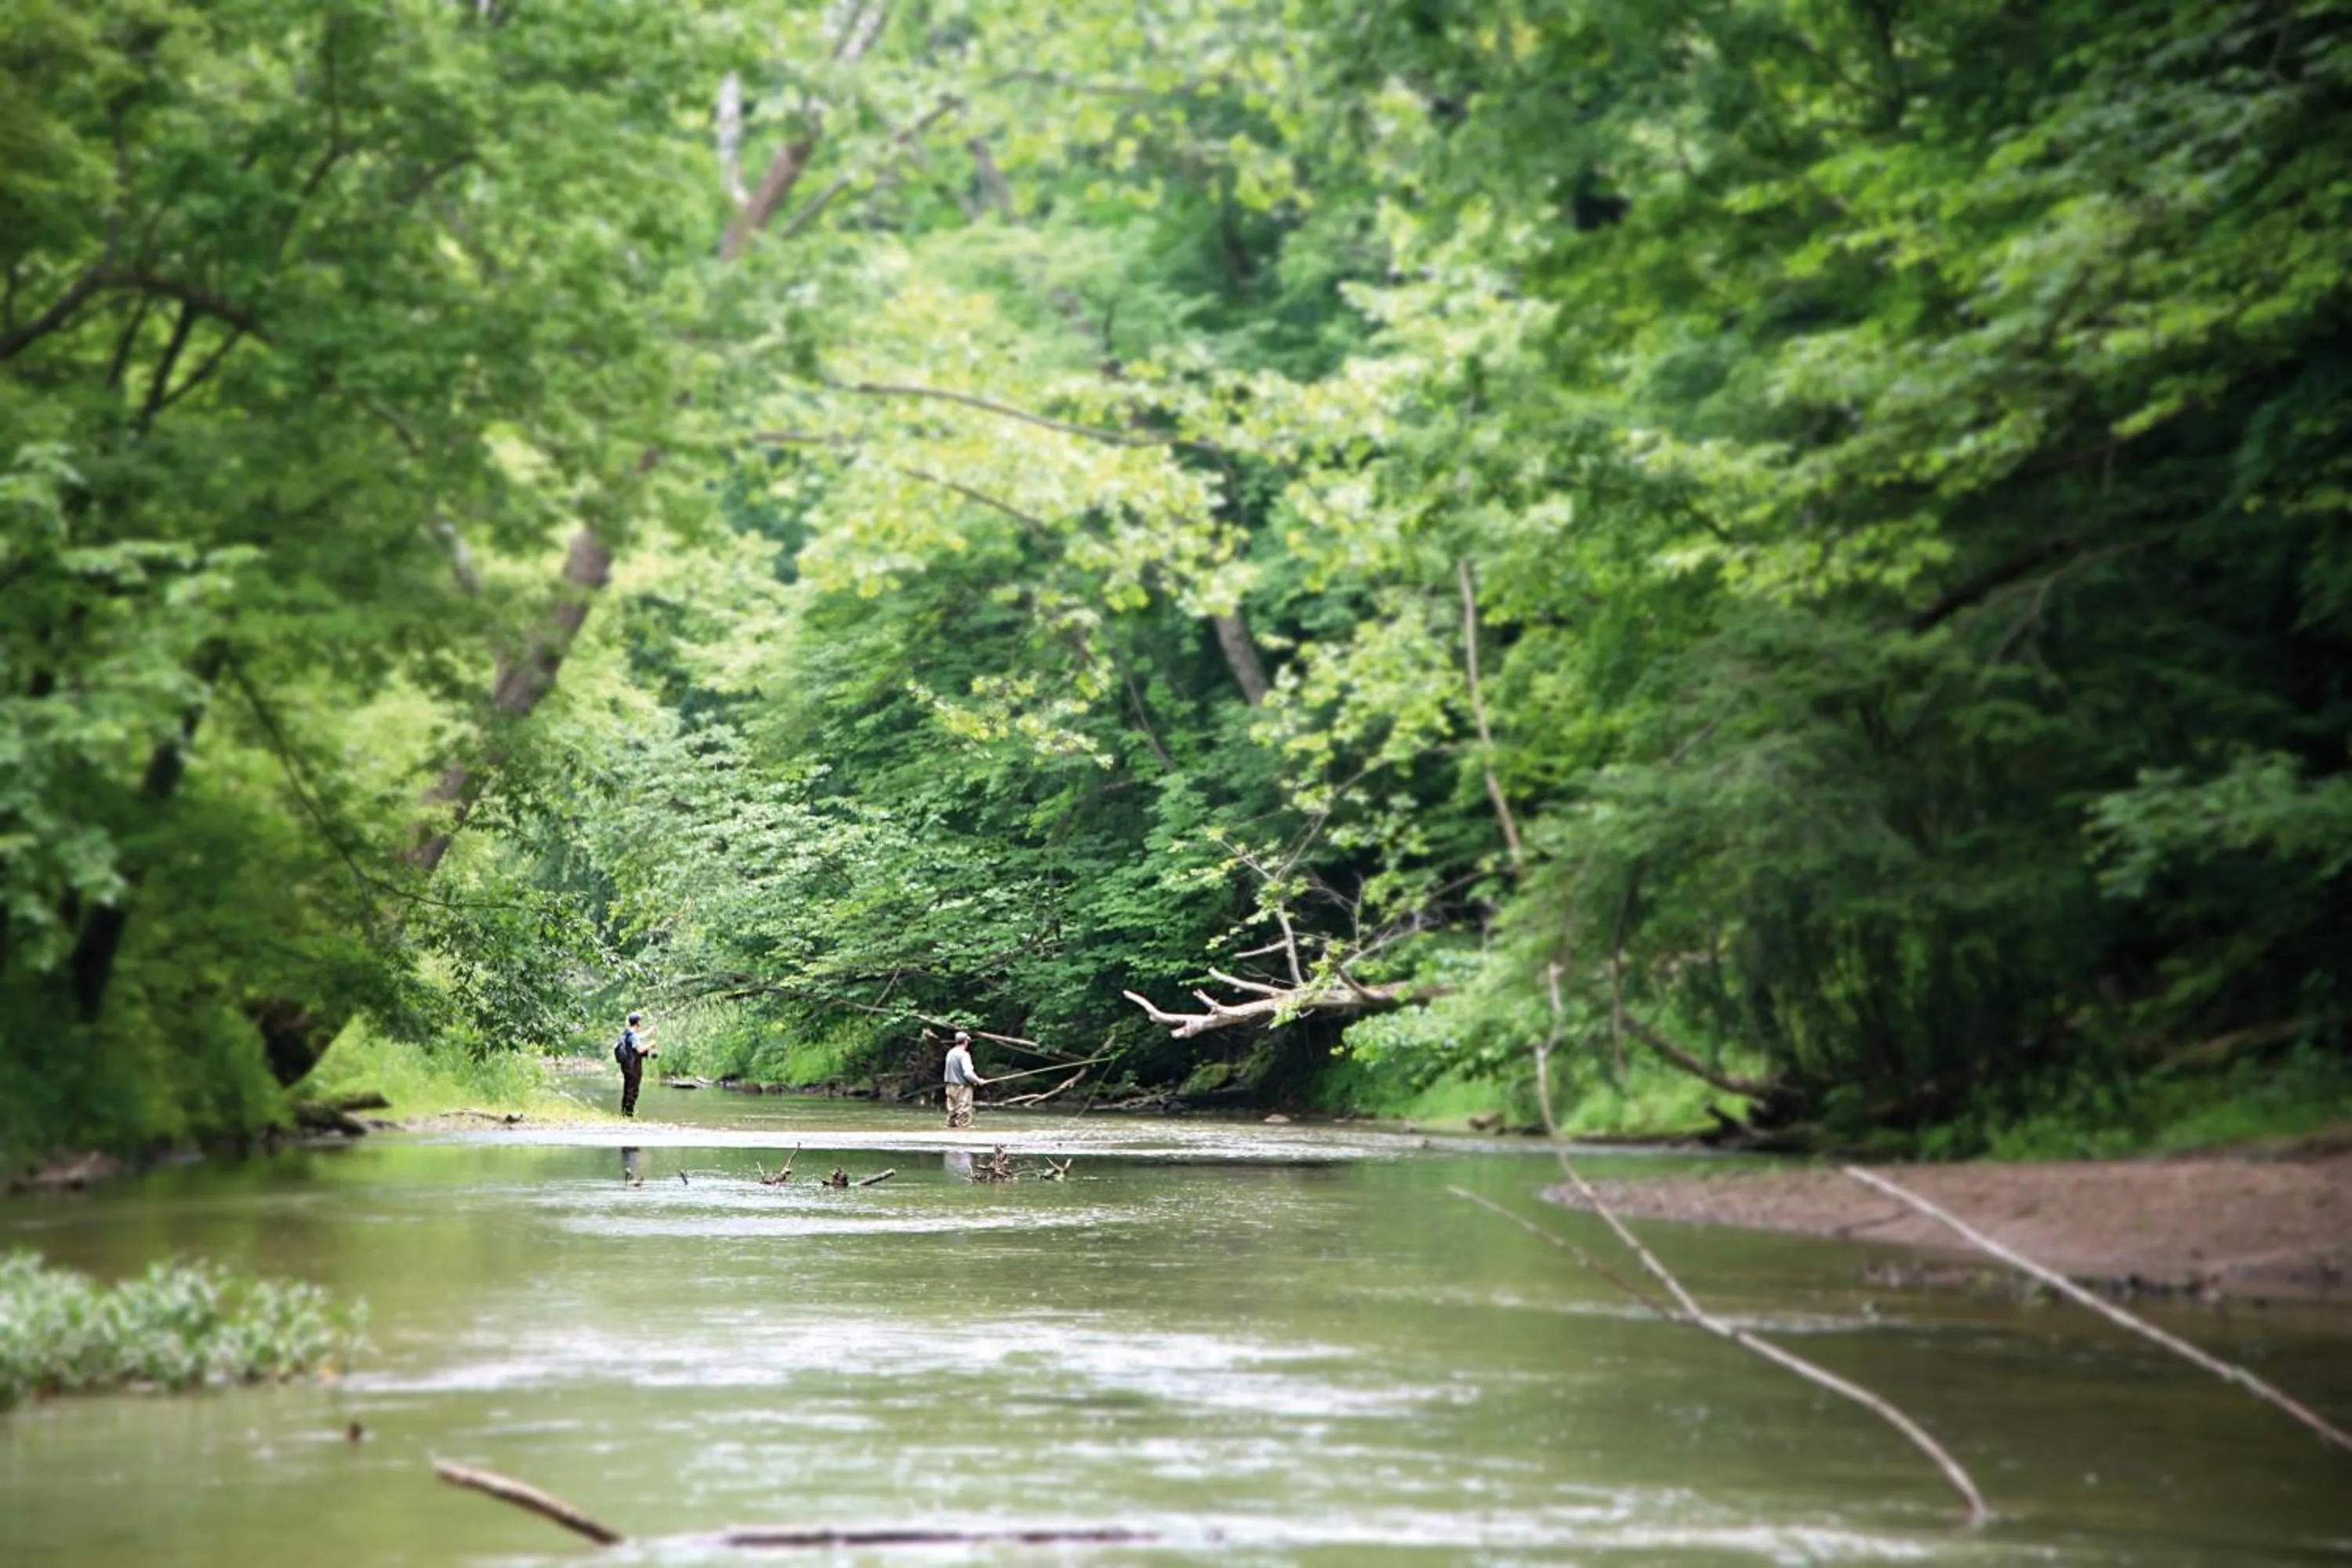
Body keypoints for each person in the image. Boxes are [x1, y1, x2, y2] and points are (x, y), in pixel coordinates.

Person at [942, 1029, 987, 1129]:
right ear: (966, 1041)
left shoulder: (950, 1053)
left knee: (952, 1114)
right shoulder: (964, 1055)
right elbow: (968, 1074)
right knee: (964, 1113)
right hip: (962, 1088)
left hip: (950, 1087)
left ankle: (951, 1134)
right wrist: (978, 1081)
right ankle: (963, 1134)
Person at [614, 1011, 655, 1117]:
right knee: (633, 1091)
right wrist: (650, 1045)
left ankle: (624, 1113)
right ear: (638, 1023)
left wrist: (650, 1030)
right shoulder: (633, 1036)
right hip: (633, 1067)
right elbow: (640, 1050)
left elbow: (639, 1036)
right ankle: (629, 1114)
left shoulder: (627, 1032)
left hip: (626, 1066)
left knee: (627, 1089)